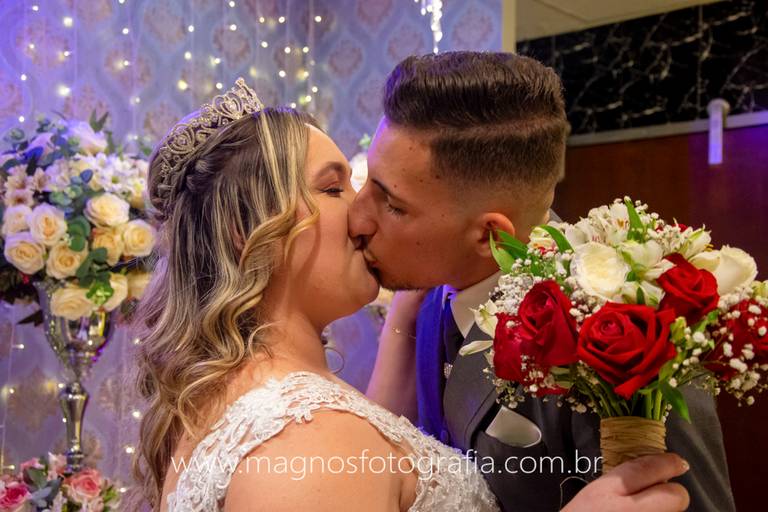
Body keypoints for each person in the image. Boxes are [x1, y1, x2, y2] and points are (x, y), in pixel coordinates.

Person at [132, 79, 690, 512]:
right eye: (333, 188)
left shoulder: (238, 401)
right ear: (248, 231)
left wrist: (405, 312)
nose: (360, 213)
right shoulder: (309, 437)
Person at [354, 52, 735, 511]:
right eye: (367, 183)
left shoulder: (623, 328)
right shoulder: (430, 291)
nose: (357, 217)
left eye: (393, 205)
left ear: (491, 236)